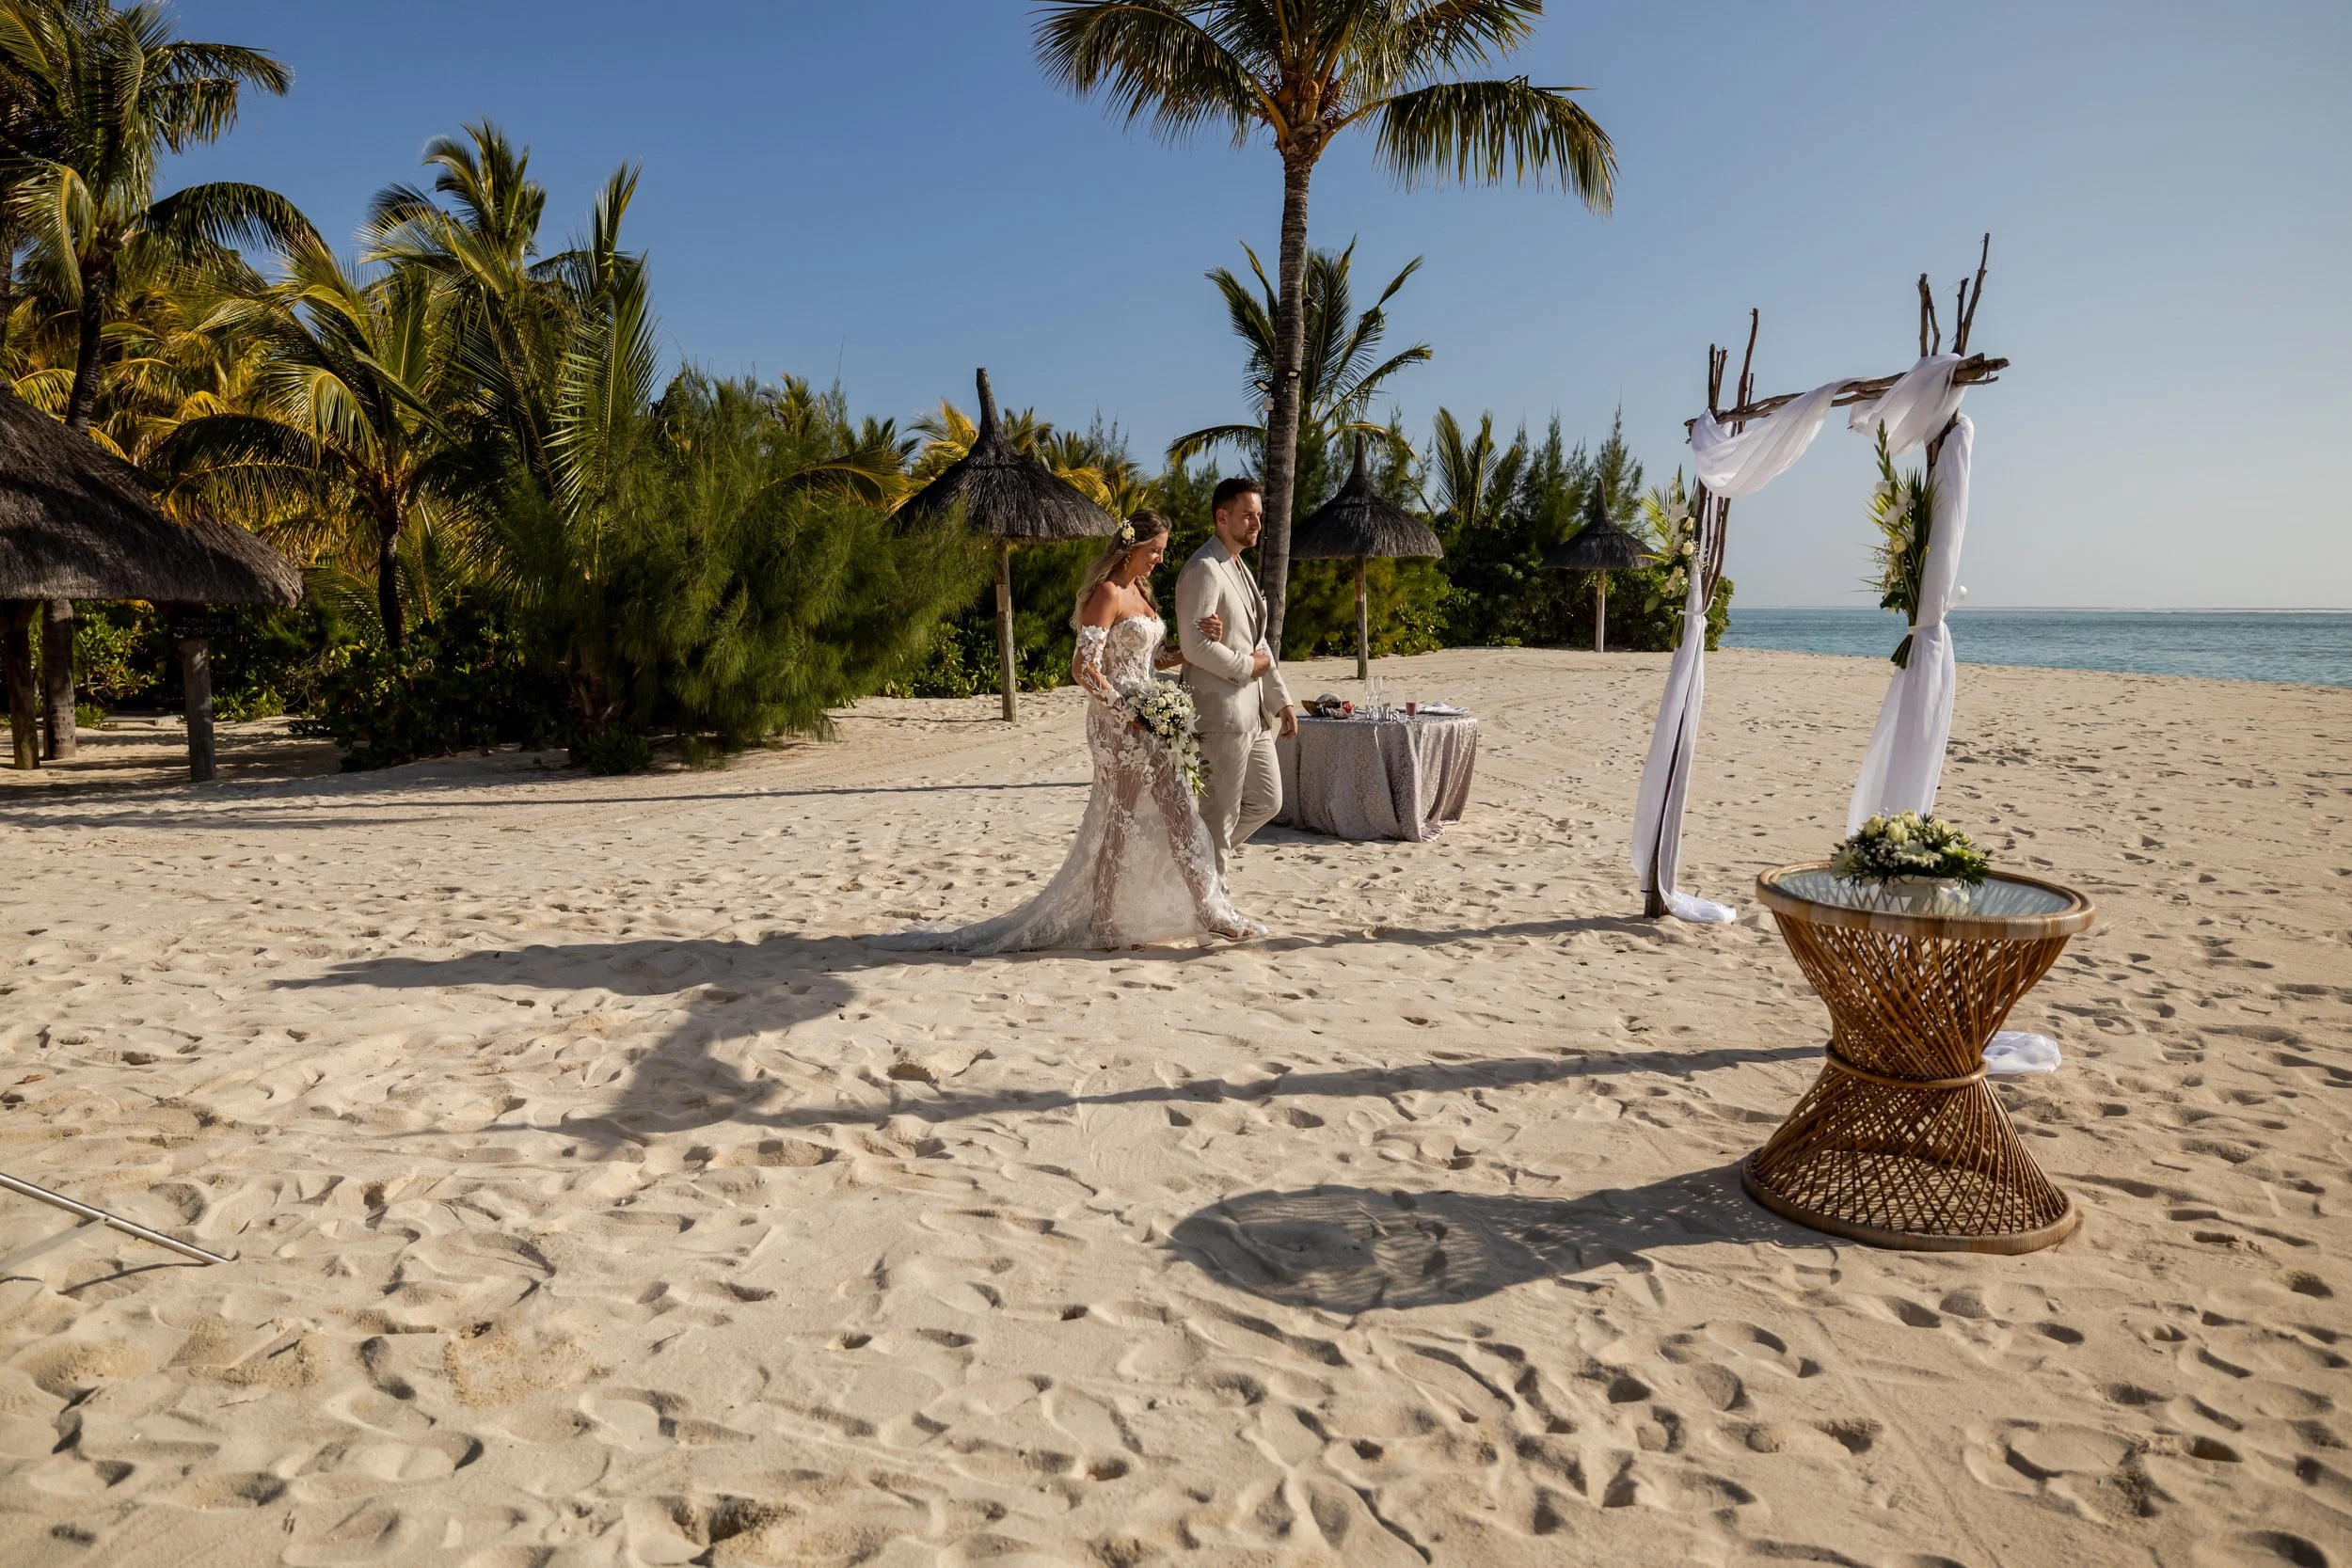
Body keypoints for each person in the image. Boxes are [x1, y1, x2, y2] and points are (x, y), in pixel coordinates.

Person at [873, 511, 1262, 954]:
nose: (1158, 559)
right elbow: (1084, 668)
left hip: (1154, 718)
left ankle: (1204, 910)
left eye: (1161, 552)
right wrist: (1128, 711)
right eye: (1154, 550)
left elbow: (1151, 661)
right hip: (1119, 725)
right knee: (1120, 818)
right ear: (1131, 546)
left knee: (1178, 813)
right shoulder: (1107, 593)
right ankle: (1108, 920)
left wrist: (1194, 638)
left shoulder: (1142, 592)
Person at [1175, 476, 1298, 875]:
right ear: (1222, 516)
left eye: (1259, 516)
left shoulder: (1239, 567)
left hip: (1256, 713)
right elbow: (1195, 647)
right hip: (1221, 712)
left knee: (1268, 800)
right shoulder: (1204, 569)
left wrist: (1282, 701)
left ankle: (1196, 867)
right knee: (1219, 815)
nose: (1257, 524)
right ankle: (1211, 900)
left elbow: (1258, 642)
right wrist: (1247, 668)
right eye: (1248, 515)